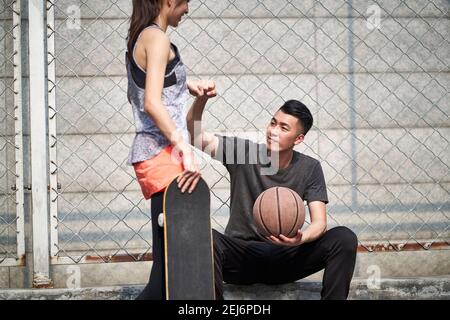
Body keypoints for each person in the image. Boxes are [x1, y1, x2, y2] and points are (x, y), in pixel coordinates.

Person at [184, 96, 358, 300]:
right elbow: (194, 135)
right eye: (273, 123)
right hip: (242, 257)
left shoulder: (310, 167)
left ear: (298, 138)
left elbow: (320, 223)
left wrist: (300, 239)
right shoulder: (243, 153)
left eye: (284, 128)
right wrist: (201, 99)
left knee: (344, 238)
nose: (273, 131)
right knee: (203, 236)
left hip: (287, 256)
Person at [126, 0, 215, 300]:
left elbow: (149, 85)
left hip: (156, 155)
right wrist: (185, 150)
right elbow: (151, 102)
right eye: (186, 2)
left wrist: (187, 85)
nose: (187, 8)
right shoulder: (158, 38)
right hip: (162, 155)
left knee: (172, 272)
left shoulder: (145, 35)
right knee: (170, 275)